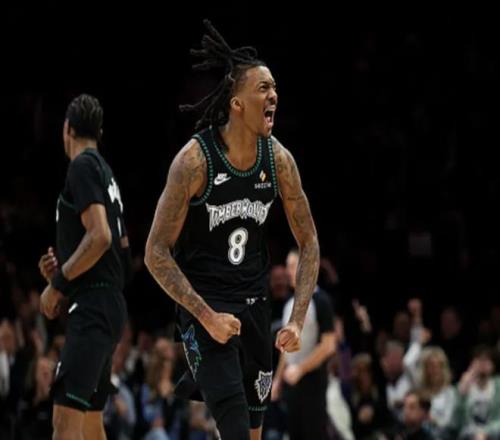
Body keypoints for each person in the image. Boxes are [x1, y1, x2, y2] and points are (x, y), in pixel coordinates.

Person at [145, 20, 320, 440]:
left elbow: (310, 242)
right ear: (237, 103)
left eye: (274, 87)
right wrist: (206, 316)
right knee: (237, 430)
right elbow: (155, 252)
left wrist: (297, 320)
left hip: (254, 308)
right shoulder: (194, 162)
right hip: (205, 311)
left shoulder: (279, 161)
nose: (273, 95)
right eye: (263, 88)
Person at [38, 94, 131, 439]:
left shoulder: (82, 166)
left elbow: (100, 236)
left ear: (67, 129)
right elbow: (120, 257)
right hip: (107, 304)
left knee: (64, 422)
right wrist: (67, 271)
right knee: (91, 425)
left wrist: (58, 284)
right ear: (99, 132)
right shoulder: (106, 174)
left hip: (93, 308)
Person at [271, 249, 335, 440]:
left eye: (292, 266)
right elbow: (286, 350)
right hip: (291, 385)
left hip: (313, 383)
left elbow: (329, 345)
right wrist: (277, 380)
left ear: (305, 266)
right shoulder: (288, 304)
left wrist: (300, 369)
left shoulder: (321, 300)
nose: (288, 271)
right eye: (287, 266)